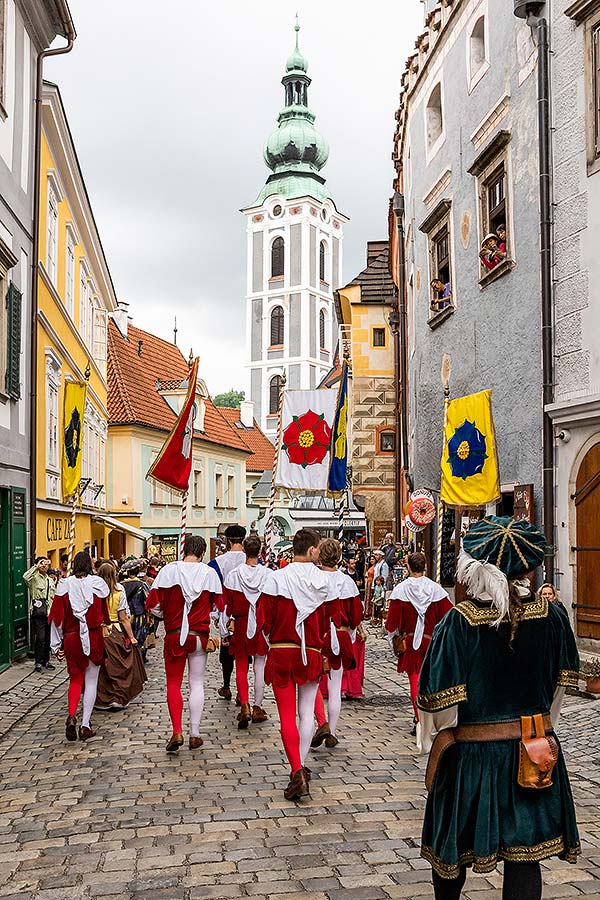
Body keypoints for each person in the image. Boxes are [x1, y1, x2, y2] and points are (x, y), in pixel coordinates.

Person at [417, 516, 580, 899]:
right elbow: (560, 689)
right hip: (533, 750)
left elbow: (436, 703)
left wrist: (442, 736)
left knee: (451, 846)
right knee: (524, 854)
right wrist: (539, 725)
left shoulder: (459, 623)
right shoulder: (552, 617)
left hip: (471, 755)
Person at [258, 528, 330, 801]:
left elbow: (264, 620)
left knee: (287, 715)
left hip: (281, 651)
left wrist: (274, 639)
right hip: (310, 652)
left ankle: (297, 770)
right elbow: (326, 623)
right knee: (306, 711)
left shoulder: (276, 579)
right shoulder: (323, 581)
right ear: (312, 550)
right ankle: (299, 765)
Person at [146, 534, 221, 752]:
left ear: (183, 549)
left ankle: (177, 730)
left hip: (174, 634)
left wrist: (167, 614)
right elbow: (218, 607)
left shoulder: (168, 572)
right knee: (196, 682)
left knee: (173, 684)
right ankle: (195, 732)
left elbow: (152, 605)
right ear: (202, 552)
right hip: (199, 636)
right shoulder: (209, 574)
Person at [386, 551, 452, 736]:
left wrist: (394, 635)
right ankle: (432, 718)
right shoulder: (435, 589)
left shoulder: (401, 590)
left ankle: (419, 720)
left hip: (410, 640)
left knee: (415, 680)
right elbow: (449, 616)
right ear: (425, 566)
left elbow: (391, 623)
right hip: (431, 641)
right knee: (431, 681)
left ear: (408, 566)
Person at [48, 551, 110, 740]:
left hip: (71, 638)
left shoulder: (64, 586)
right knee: (91, 682)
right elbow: (105, 613)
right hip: (93, 636)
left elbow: (56, 618)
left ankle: (72, 714)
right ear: (90, 566)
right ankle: (85, 725)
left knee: (75, 679)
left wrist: (56, 645)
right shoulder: (98, 586)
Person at [312, 538, 363, 749]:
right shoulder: (347, 582)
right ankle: (331, 730)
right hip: (340, 635)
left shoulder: (312, 579)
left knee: (311, 684)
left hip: (317, 635)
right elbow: (356, 616)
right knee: (335, 687)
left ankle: (320, 722)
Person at [223, 534, 270, 728]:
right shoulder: (268, 575)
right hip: (260, 626)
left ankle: (245, 704)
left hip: (241, 624)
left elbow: (226, 607)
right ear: (259, 551)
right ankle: (257, 706)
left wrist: (224, 630)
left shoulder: (234, 575)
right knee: (259, 666)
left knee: (241, 666)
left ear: (244, 550)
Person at [95, 562, 146, 710]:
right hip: (114, 631)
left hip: (98, 631)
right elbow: (123, 617)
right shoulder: (118, 590)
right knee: (119, 666)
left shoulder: (94, 591)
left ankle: (101, 698)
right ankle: (118, 697)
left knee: (102, 668)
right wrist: (131, 636)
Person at [209, 524, 246, 702]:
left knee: (227, 652)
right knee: (244, 654)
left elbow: (213, 588)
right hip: (246, 612)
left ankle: (226, 685)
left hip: (225, 609)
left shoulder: (218, 563)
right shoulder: (252, 560)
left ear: (228, 540)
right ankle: (242, 690)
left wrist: (215, 614)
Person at [23, 557, 56, 673]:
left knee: (47, 639)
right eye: (42, 563)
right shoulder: (34, 578)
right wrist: (36, 567)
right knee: (40, 638)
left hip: (48, 613)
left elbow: (53, 597)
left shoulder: (50, 580)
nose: (45, 566)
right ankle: (37, 661)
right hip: (38, 613)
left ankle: (46, 661)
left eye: (46, 564)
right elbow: (25, 577)